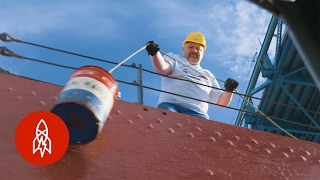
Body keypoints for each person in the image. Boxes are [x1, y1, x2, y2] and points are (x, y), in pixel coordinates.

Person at [146, 31, 239, 119]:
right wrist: (155, 54)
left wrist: (229, 90)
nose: (194, 50)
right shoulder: (174, 59)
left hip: (198, 114)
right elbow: (162, 68)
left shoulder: (208, 75)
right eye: (190, 47)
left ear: (203, 53)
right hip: (170, 105)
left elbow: (220, 102)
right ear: (183, 49)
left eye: (198, 49)